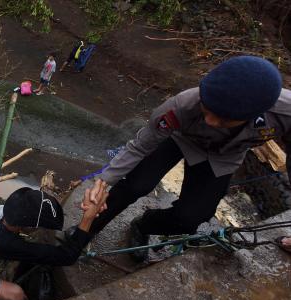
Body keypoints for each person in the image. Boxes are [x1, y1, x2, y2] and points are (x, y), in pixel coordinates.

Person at [63, 56, 291, 262]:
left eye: (223, 119)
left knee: (192, 218)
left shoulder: (285, 112)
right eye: (207, 108)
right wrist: (103, 181)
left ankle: (144, 225)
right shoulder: (183, 105)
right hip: (180, 137)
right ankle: (88, 229)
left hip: (225, 156)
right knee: (134, 185)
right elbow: (140, 146)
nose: (210, 121)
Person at [0, 181, 108, 300]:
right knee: (17, 295)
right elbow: (67, 256)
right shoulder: (5, 242)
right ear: (26, 227)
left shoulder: (9, 211)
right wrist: (88, 218)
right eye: (38, 227)